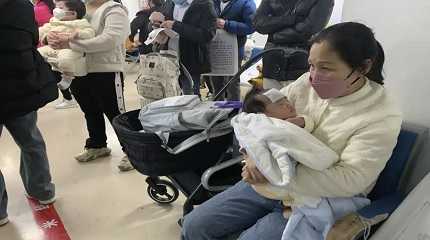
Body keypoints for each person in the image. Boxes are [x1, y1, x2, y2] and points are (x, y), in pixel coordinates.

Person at [180, 22, 402, 239]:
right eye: (311, 65)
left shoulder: (380, 114)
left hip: (315, 201)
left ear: (362, 68)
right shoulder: (305, 83)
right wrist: (251, 155)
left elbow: (351, 179)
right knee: (193, 226)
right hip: (265, 187)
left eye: (325, 68)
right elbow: (255, 118)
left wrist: (273, 172)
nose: (314, 76)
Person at [47, 0, 134, 171]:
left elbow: (109, 40)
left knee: (115, 112)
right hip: (80, 69)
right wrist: (51, 36)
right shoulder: (79, 8)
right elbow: (60, 27)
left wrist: (70, 43)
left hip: (106, 70)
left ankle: (133, 151)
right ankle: (97, 144)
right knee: (89, 110)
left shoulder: (115, 10)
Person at [0, 0, 58, 227]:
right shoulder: (22, 5)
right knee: (31, 140)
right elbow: (31, 39)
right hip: (21, 86)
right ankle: (43, 190)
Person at [253, 0, 334, 90]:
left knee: (297, 101)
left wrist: (275, 35)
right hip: (272, 62)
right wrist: (289, 19)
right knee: (271, 101)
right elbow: (258, 23)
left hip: (300, 63)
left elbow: (309, 29)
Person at [149, 0, 217, 96]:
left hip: (191, 61)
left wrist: (175, 25)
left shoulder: (204, 4)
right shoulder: (169, 3)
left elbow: (207, 35)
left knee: (189, 98)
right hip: (168, 60)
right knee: (170, 97)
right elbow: (159, 23)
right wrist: (154, 25)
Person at [39, 0, 95, 90]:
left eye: (60, 8)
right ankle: (40, 74)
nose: (56, 10)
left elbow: (90, 33)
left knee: (65, 59)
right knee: (37, 53)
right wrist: (44, 35)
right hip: (53, 48)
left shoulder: (80, 23)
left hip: (70, 50)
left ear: (73, 13)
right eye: (56, 7)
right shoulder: (54, 21)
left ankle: (67, 77)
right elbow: (43, 30)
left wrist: (78, 34)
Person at [209, 0, 256, 100]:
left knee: (232, 82)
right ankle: (217, 109)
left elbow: (251, 27)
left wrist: (226, 24)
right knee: (215, 81)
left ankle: (234, 110)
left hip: (234, 49)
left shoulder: (246, 2)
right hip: (214, 46)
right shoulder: (212, 2)